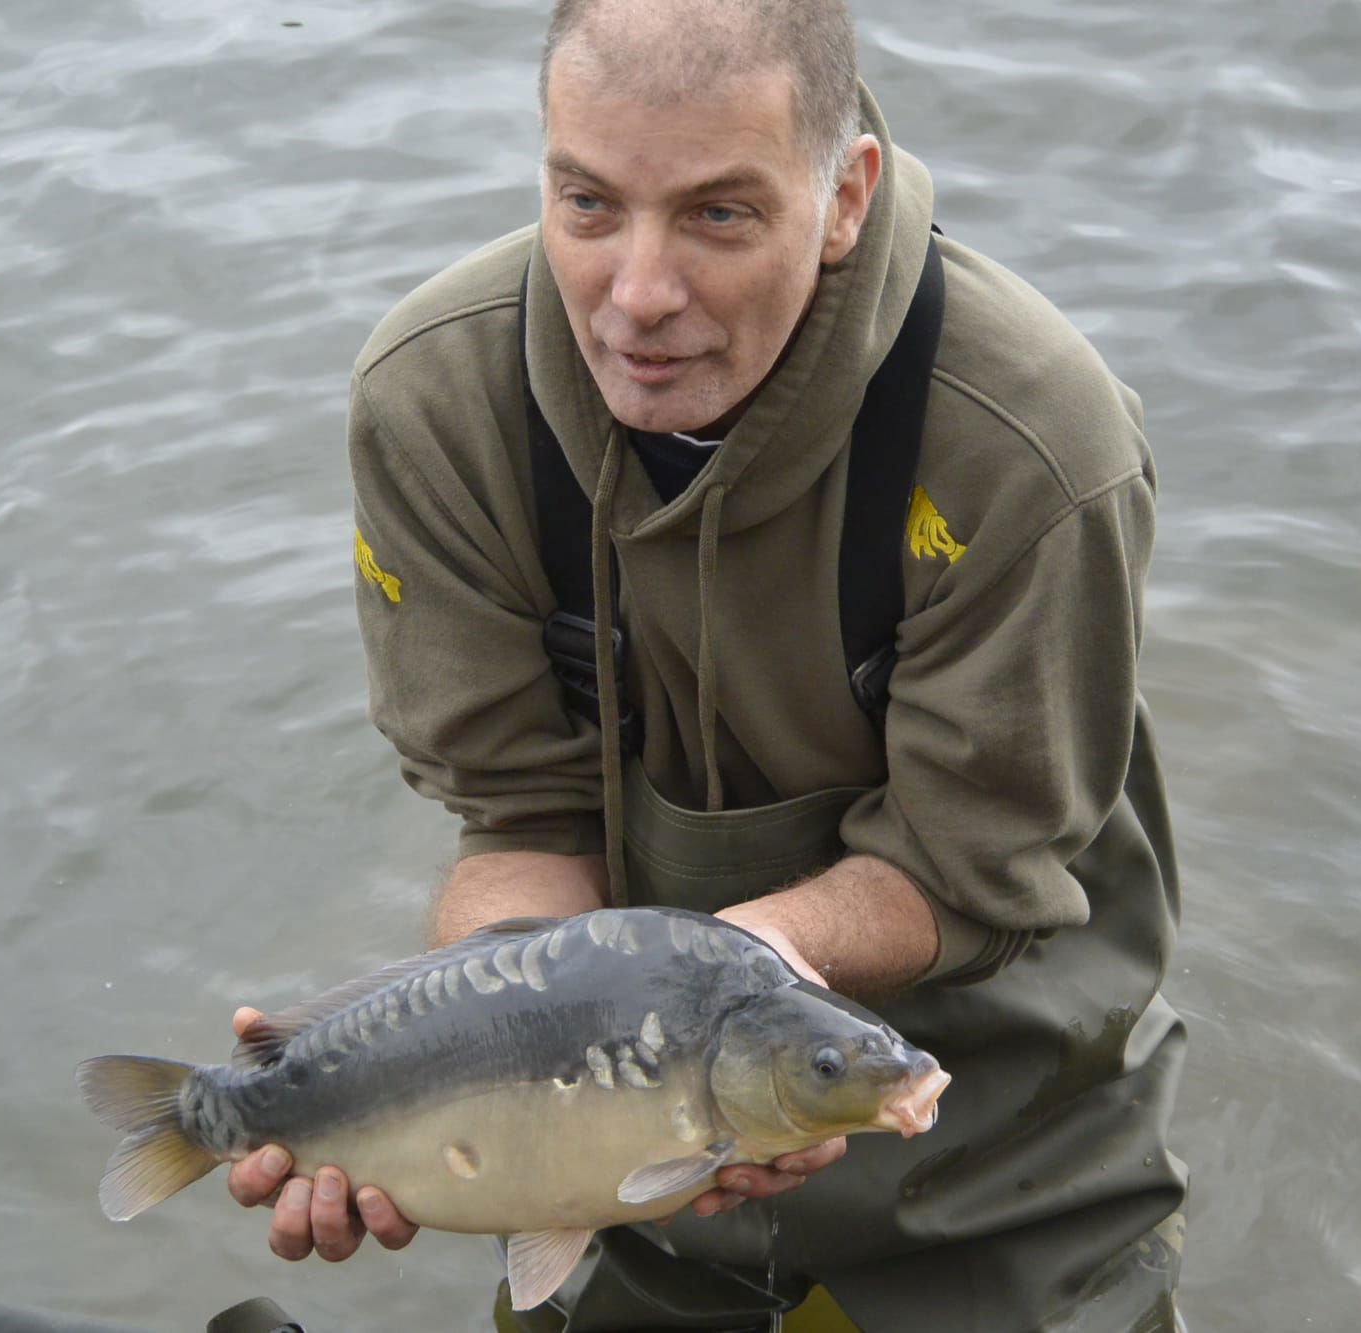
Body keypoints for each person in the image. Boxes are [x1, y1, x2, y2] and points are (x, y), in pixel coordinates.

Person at [229, 0, 1188, 1328]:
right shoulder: (433, 402)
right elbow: (517, 818)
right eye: (587, 203)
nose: (638, 296)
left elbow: (977, 865)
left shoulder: (1032, 445)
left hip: (1000, 1152)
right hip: (624, 1133)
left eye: (719, 216)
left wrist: (746, 984)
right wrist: (439, 1069)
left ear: (843, 195)